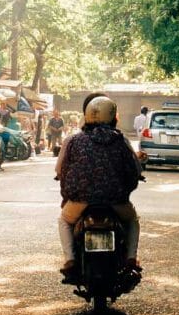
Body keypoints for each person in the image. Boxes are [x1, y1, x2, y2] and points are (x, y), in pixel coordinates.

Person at [55, 94, 142, 278]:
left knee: (64, 221)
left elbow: (60, 168)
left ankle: (70, 260)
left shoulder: (73, 140)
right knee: (132, 221)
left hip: (81, 200)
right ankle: (131, 259)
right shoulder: (121, 140)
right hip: (115, 200)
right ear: (113, 116)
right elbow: (134, 168)